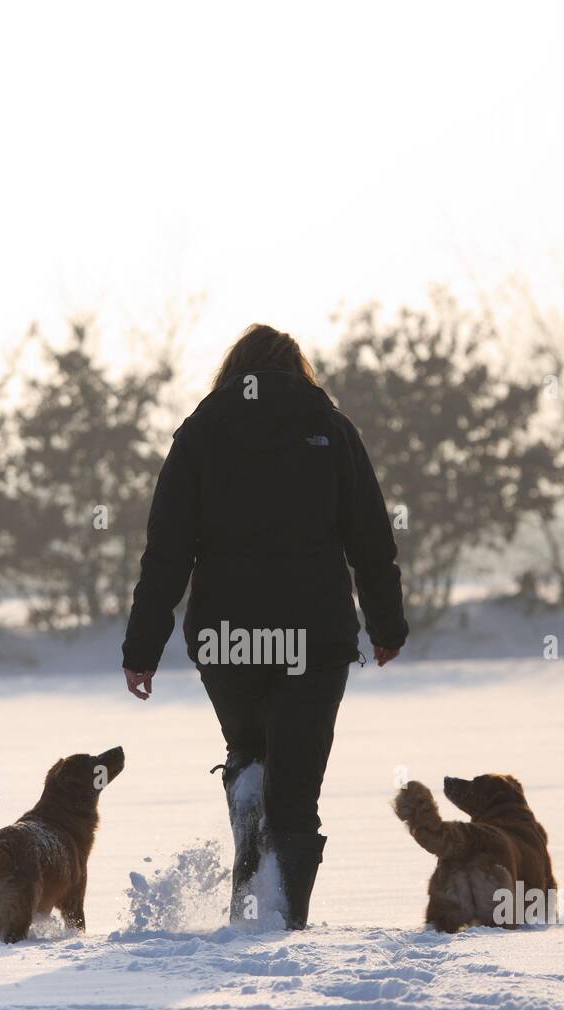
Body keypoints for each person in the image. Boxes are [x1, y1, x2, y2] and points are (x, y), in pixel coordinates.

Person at [122, 324, 408, 928]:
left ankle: (249, 854)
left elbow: (167, 551)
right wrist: (386, 624)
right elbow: (371, 539)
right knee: (296, 789)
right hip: (315, 636)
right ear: (295, 369)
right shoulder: (330, 428)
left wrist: (143, 647)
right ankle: (280, 920)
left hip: (228, 638)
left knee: (250, 751)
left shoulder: (202, 431)